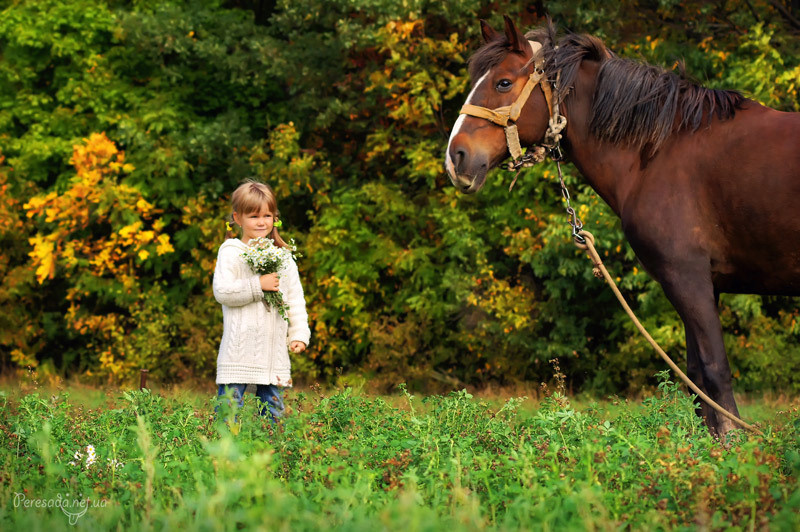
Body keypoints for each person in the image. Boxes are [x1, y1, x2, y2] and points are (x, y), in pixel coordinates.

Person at [212, 179, 310, 421]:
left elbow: (295, 300)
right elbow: (222, 292)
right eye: (254, 216)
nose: (261, 222)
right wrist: (258, 285)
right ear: (237, 218)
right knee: (229, 410)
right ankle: (223, 455)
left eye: (267, 215)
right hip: (238, 351)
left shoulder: (283, 257)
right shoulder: (231, 252)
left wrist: (299, 334)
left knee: (273, 414)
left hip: (272, 354)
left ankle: (270, 455)